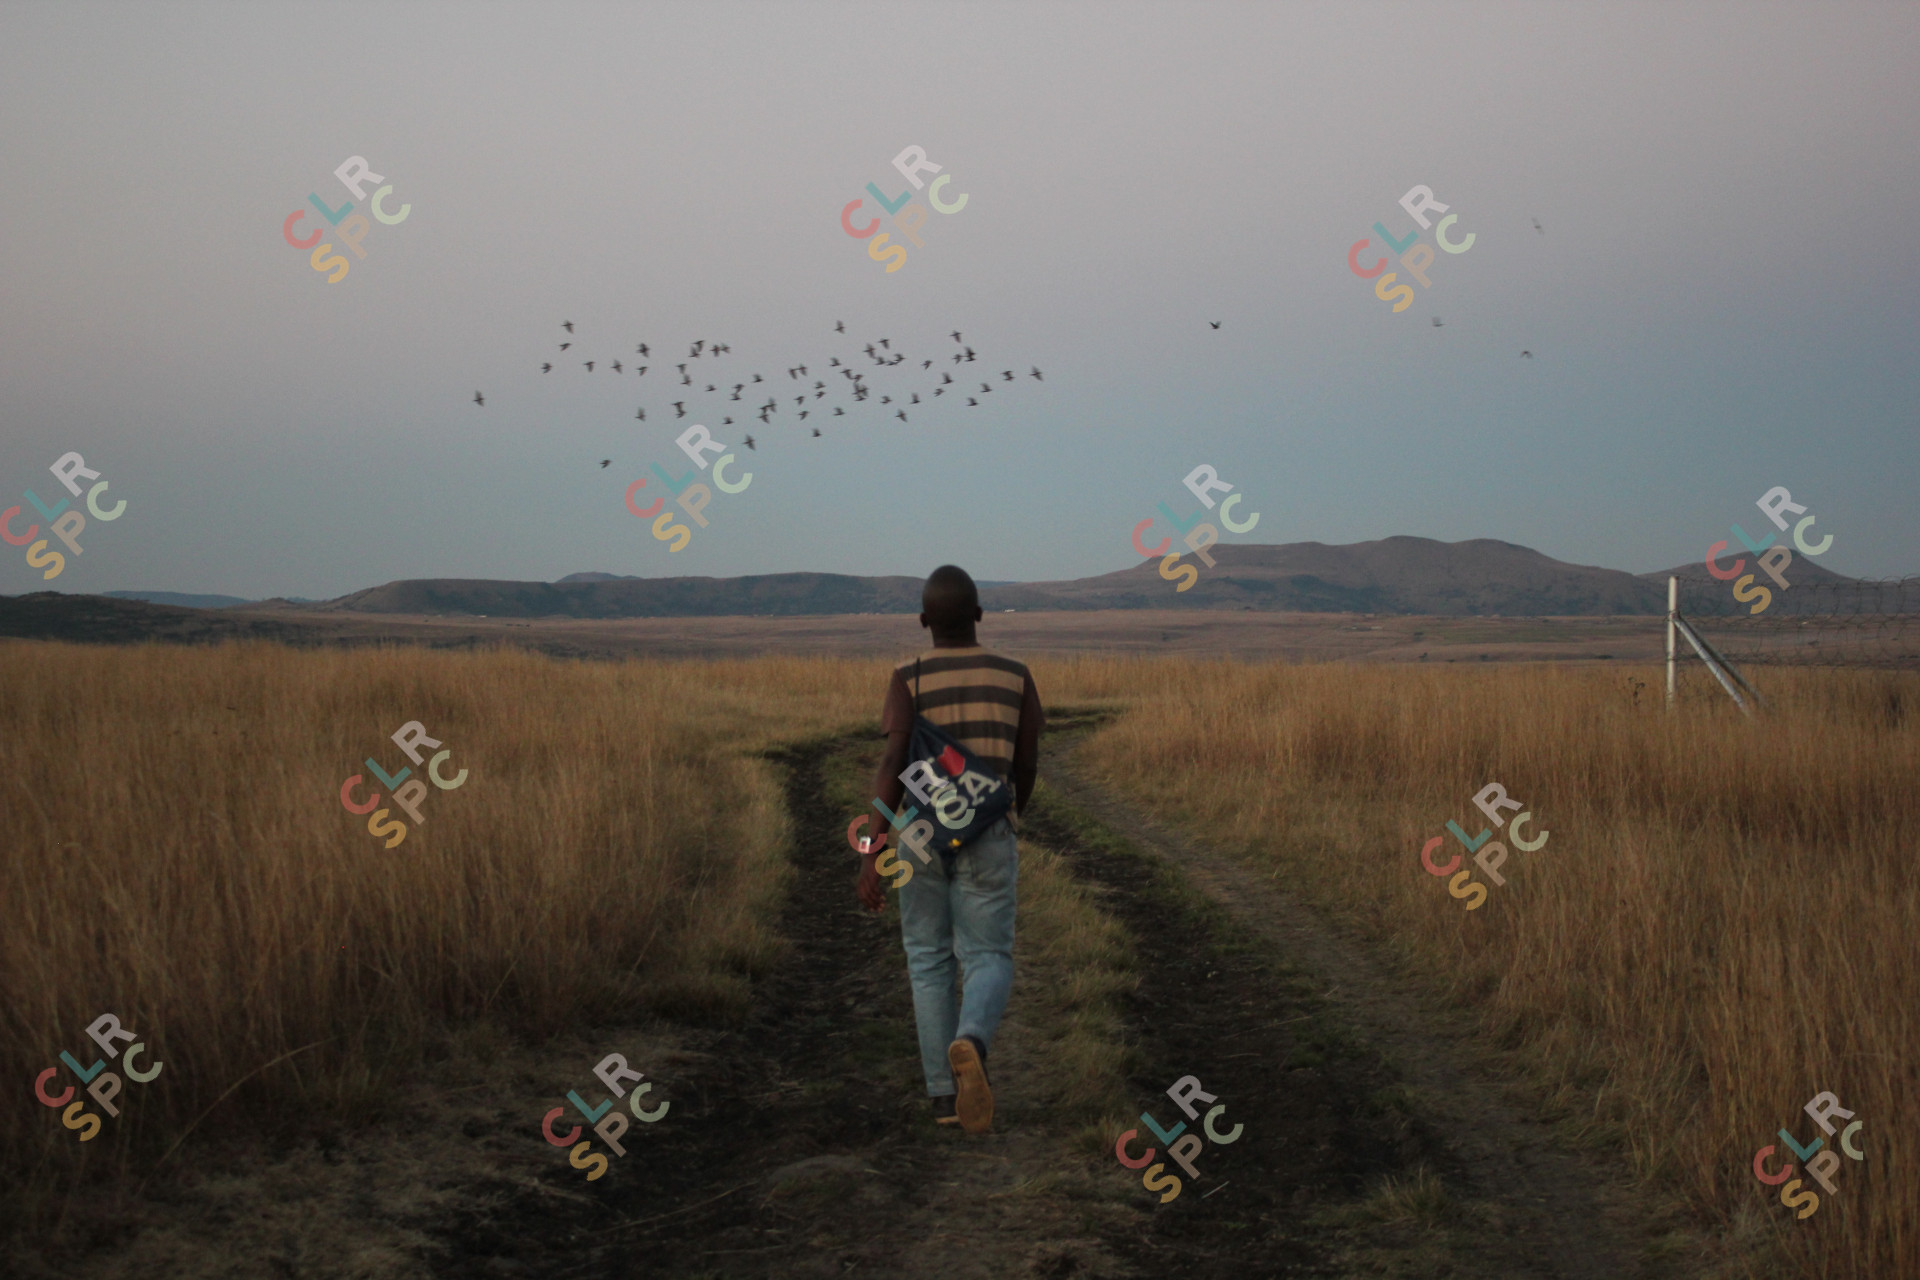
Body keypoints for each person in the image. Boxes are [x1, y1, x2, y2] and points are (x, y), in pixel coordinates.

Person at [857, 565, 1043, 1134]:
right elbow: (1027, 759)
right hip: (988, 829)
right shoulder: (1015, 676)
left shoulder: (906, 677)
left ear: (923, 622)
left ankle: (943, 1097)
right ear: (980, 615)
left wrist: (871, 849)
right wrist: (1011, 812)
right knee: (988, 955)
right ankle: (972, 1040)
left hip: (917, 835)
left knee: (927, 959)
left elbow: (892, 765)